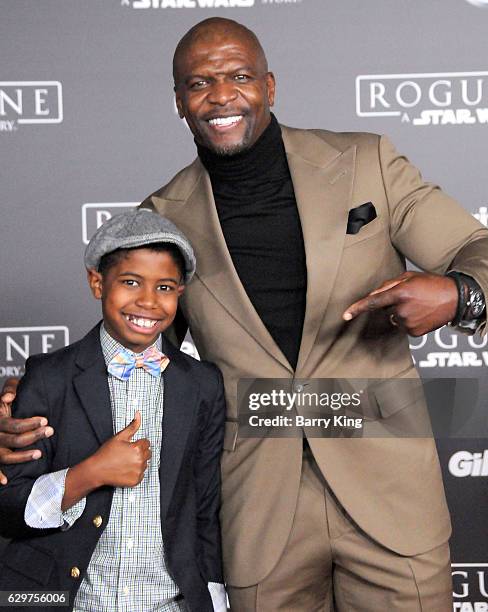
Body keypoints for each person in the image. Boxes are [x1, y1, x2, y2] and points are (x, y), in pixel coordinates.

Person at [2, 16, 488, 611]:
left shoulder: (367, 163)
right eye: (200, 83)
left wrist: (460, 292)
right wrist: (35, 405)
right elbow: (129, 348)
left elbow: (476, 247)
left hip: (387, 487)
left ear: (270, 86)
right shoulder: (162, 216)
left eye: (239, 76)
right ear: (179, 101)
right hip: (258, 503)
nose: (221, 96)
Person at [0, 209, 226, 612]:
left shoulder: (202, 384)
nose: (148, 301)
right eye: (131, 282)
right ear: (97, 282)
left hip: (168, 602)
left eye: (166, 287)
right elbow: (9, 509)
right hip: (73, 601)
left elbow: (205, 509)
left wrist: (212, 597)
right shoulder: (47, 377)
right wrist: (91, 474)